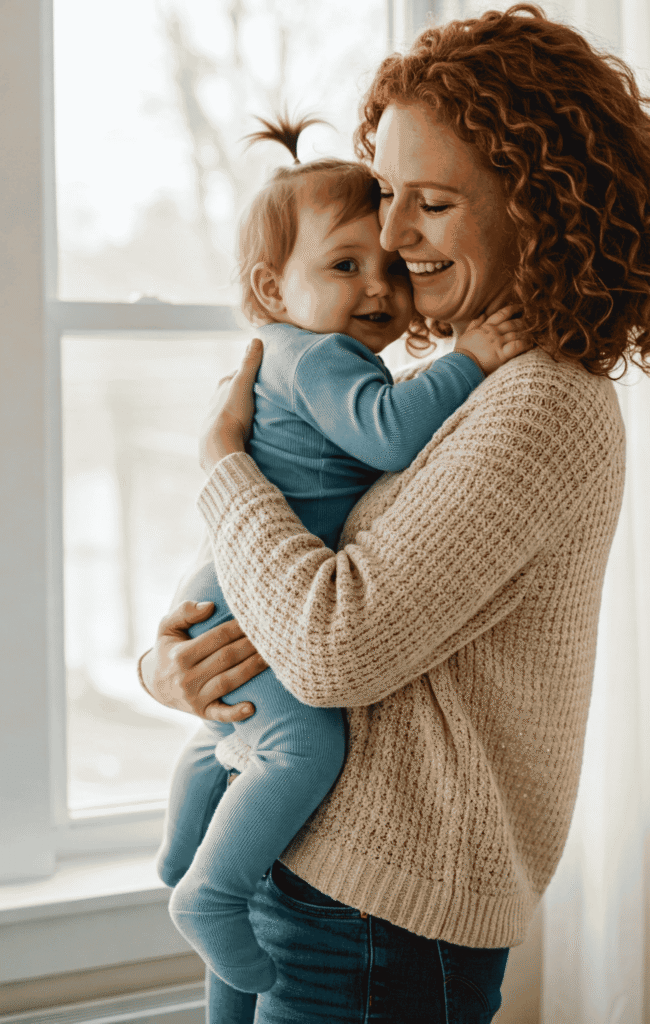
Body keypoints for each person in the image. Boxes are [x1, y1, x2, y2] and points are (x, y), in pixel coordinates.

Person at [140, 5, 650, 1021]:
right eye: (385, 196)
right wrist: (174, 668)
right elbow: (303, 574)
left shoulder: (541, 402)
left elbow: (335, 645)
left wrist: (220, 463)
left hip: (378, 920)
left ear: (537, 208)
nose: (389, 234)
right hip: (308, 872)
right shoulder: (453, 388)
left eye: (433, 203)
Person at [157, 116, 528, 996]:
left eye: (391, 268)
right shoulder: (320, 358)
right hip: (252, 599)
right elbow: (392, 433)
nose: (379, 288)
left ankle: (180, 855)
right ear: (271, 287)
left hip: (232, 584)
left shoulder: (294, 355)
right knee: (301, 746)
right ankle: (210, 891)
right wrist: (473, 358)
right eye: (345, 266)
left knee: (232, 736)